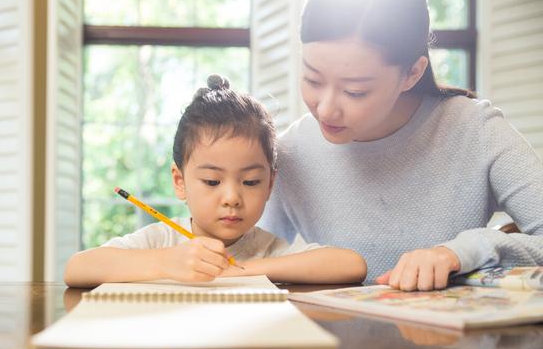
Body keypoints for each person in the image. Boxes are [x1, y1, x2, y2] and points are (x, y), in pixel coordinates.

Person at [259, 0, 543, 291]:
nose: (325, 110)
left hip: (452, 338)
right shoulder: (289, 152)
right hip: (333, 337)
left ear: (412, 73)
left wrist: (462, 251)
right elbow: (243, 257)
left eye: (354, 92)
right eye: (312, 80)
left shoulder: (476, 130)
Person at [64, 74, 366, 288]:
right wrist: (166, 263)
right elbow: (77, 269)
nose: (232, 197)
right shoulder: (163, 241)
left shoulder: (266, 248)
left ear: (270, 183)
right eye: (211, 181)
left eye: (250, 182)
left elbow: (351, 265)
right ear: (180, 181)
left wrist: (244, 271)